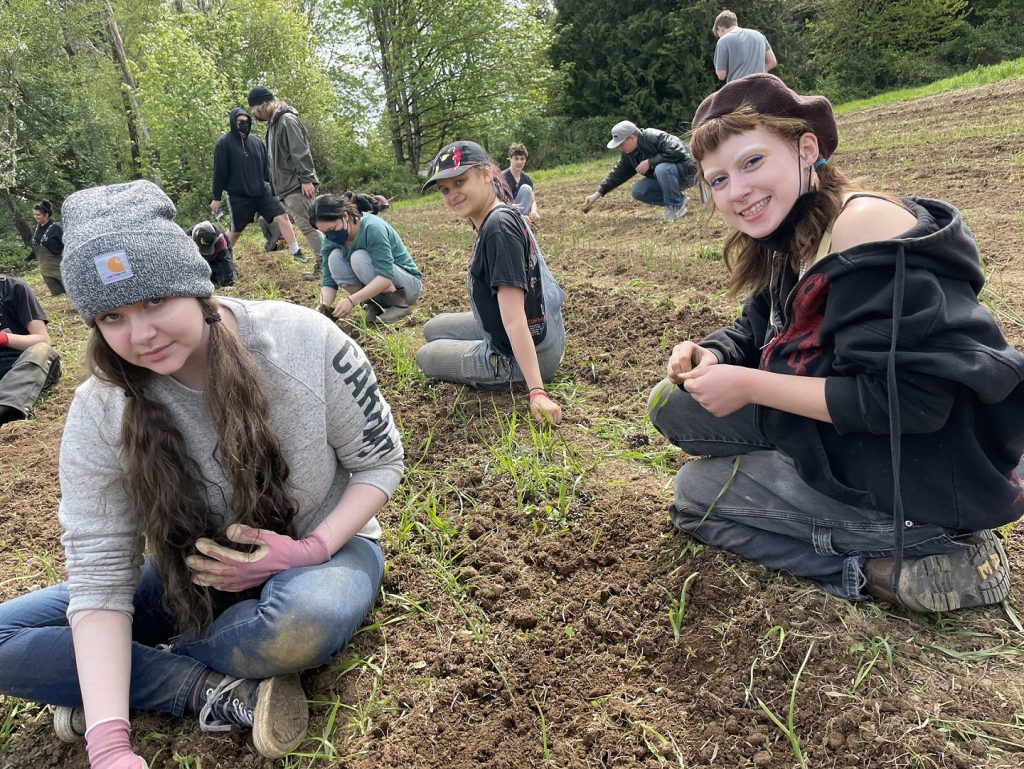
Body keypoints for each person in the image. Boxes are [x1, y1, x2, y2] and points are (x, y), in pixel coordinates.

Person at [0, 180, 404, 767]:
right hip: (192, 579)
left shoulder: (304, 341)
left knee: (302, 621)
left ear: (197, 288)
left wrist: (309, 549)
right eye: (112, 316)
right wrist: (110, 745)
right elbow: (99, 579)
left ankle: (110, 677)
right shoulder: (99, 409)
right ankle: (198, 688)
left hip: (325, 556)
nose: (141, 335)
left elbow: (379, 461)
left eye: (156, 301)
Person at [647, 73, 1024, 613]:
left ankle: (905, 554)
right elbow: (761, 325)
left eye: (752, 162)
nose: (737, 191)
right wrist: (716, 354)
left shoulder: (861, 230)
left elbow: (909, 402)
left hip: (923, 462)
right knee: (671, 403)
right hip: (856, 430)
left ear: (806, 148)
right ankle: (827, 492)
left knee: (693, 497)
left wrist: (752, 384)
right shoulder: (798, 226)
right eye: (719, 180)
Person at [417, 141, 565, 425]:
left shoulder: (498, 229)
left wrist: (536, 392)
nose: (452, 195)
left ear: (486, 174)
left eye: (460, 181)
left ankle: (516, 373)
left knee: (427, 356)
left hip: (525, 350)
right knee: (432, 328)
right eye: (445, 189)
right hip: (545, 327)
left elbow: (514, 319)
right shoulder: (498, 215)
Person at [210, 108, 312, 276]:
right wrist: (216, 197)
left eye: (246, 122)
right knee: (235, 231)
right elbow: (219, 172)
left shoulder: (257, 142)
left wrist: (274, 187)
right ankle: (221, 261)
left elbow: (267, 168)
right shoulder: (224, 143)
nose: (244, 125)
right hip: (239, 196)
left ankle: (297, 252)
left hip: (263, 191)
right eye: (240, 122)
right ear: (233, 123)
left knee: (283, 218)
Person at [247, 86, 325, 279]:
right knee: (309, 224)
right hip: (288, 185)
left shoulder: (286, 120)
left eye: (254, 110)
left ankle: (326, 266)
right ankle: (327, 264)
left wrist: (306, 178)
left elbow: (300, 151)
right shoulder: (275, 123)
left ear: (263, 105)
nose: (254, 115)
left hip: (297, 184)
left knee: (309, 225)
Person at [311, 194, 423, 325]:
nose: (329, 236)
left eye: (332, 229)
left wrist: (352, 300)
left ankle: (400, 305)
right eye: (325, 232)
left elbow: (385, 275)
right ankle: (371, 304)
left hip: (407, 286)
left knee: (358, 257)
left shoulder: (372, 228)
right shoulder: (330, 241)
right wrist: (322, 307)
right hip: (380, 288)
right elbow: (328, 281)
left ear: (345, 216)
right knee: (334, 258)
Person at [582, 121, 697, 221]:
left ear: (631, 137)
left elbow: (677, 151)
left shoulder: (652, 135)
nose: (619, 148)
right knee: (638, 191)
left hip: (688, 173)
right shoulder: (629, 155)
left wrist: (650, 162)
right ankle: (678, 201)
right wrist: (596, 194)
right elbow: (617, 175)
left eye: (621, 144)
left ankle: (675, 207)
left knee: (661, 168)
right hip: (668, 178)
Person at [0, 274, 61, 426]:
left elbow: (42, 339)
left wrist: (4, 339)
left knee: (42, 350)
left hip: (24, 367)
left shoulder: (12, 288)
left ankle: (6, 407)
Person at [712, 10, 777, 82]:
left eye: (719, 35)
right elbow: (772, 62)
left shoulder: (723, 41)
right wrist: (758, 73)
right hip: (761, 86)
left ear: (720, 28)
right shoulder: (759, 35)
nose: (720, 37)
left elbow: (721, 75)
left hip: (739, 88)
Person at [30, 199, 66, 295]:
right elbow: (35, 246)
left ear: (46, 214)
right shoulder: (36, 229)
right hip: (45, 269)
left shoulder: (57, 228)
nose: (35, 217)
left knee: (69, 291)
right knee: (57, 295)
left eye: (38, 214)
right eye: (34, 214)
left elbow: (67, 244)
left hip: (58, 268)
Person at [188, 220, 236, 288]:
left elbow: (225, 260)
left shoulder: (219, 239)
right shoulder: (187, 238)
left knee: (222, 275)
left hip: (217, 253)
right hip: (199, 258)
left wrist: (229, 283)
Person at [501, 143, 539, 224]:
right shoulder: (502, 178)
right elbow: (495, 201)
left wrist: (534, 211)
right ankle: (520, 222)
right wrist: (509, 206)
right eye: (516, 158)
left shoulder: (527, 179)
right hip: (505, 213)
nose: (519, 162)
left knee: (526, 188)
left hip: (521, 212)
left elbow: (533, 201)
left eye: (522, 159)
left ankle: (522, 224)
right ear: (510, 159)